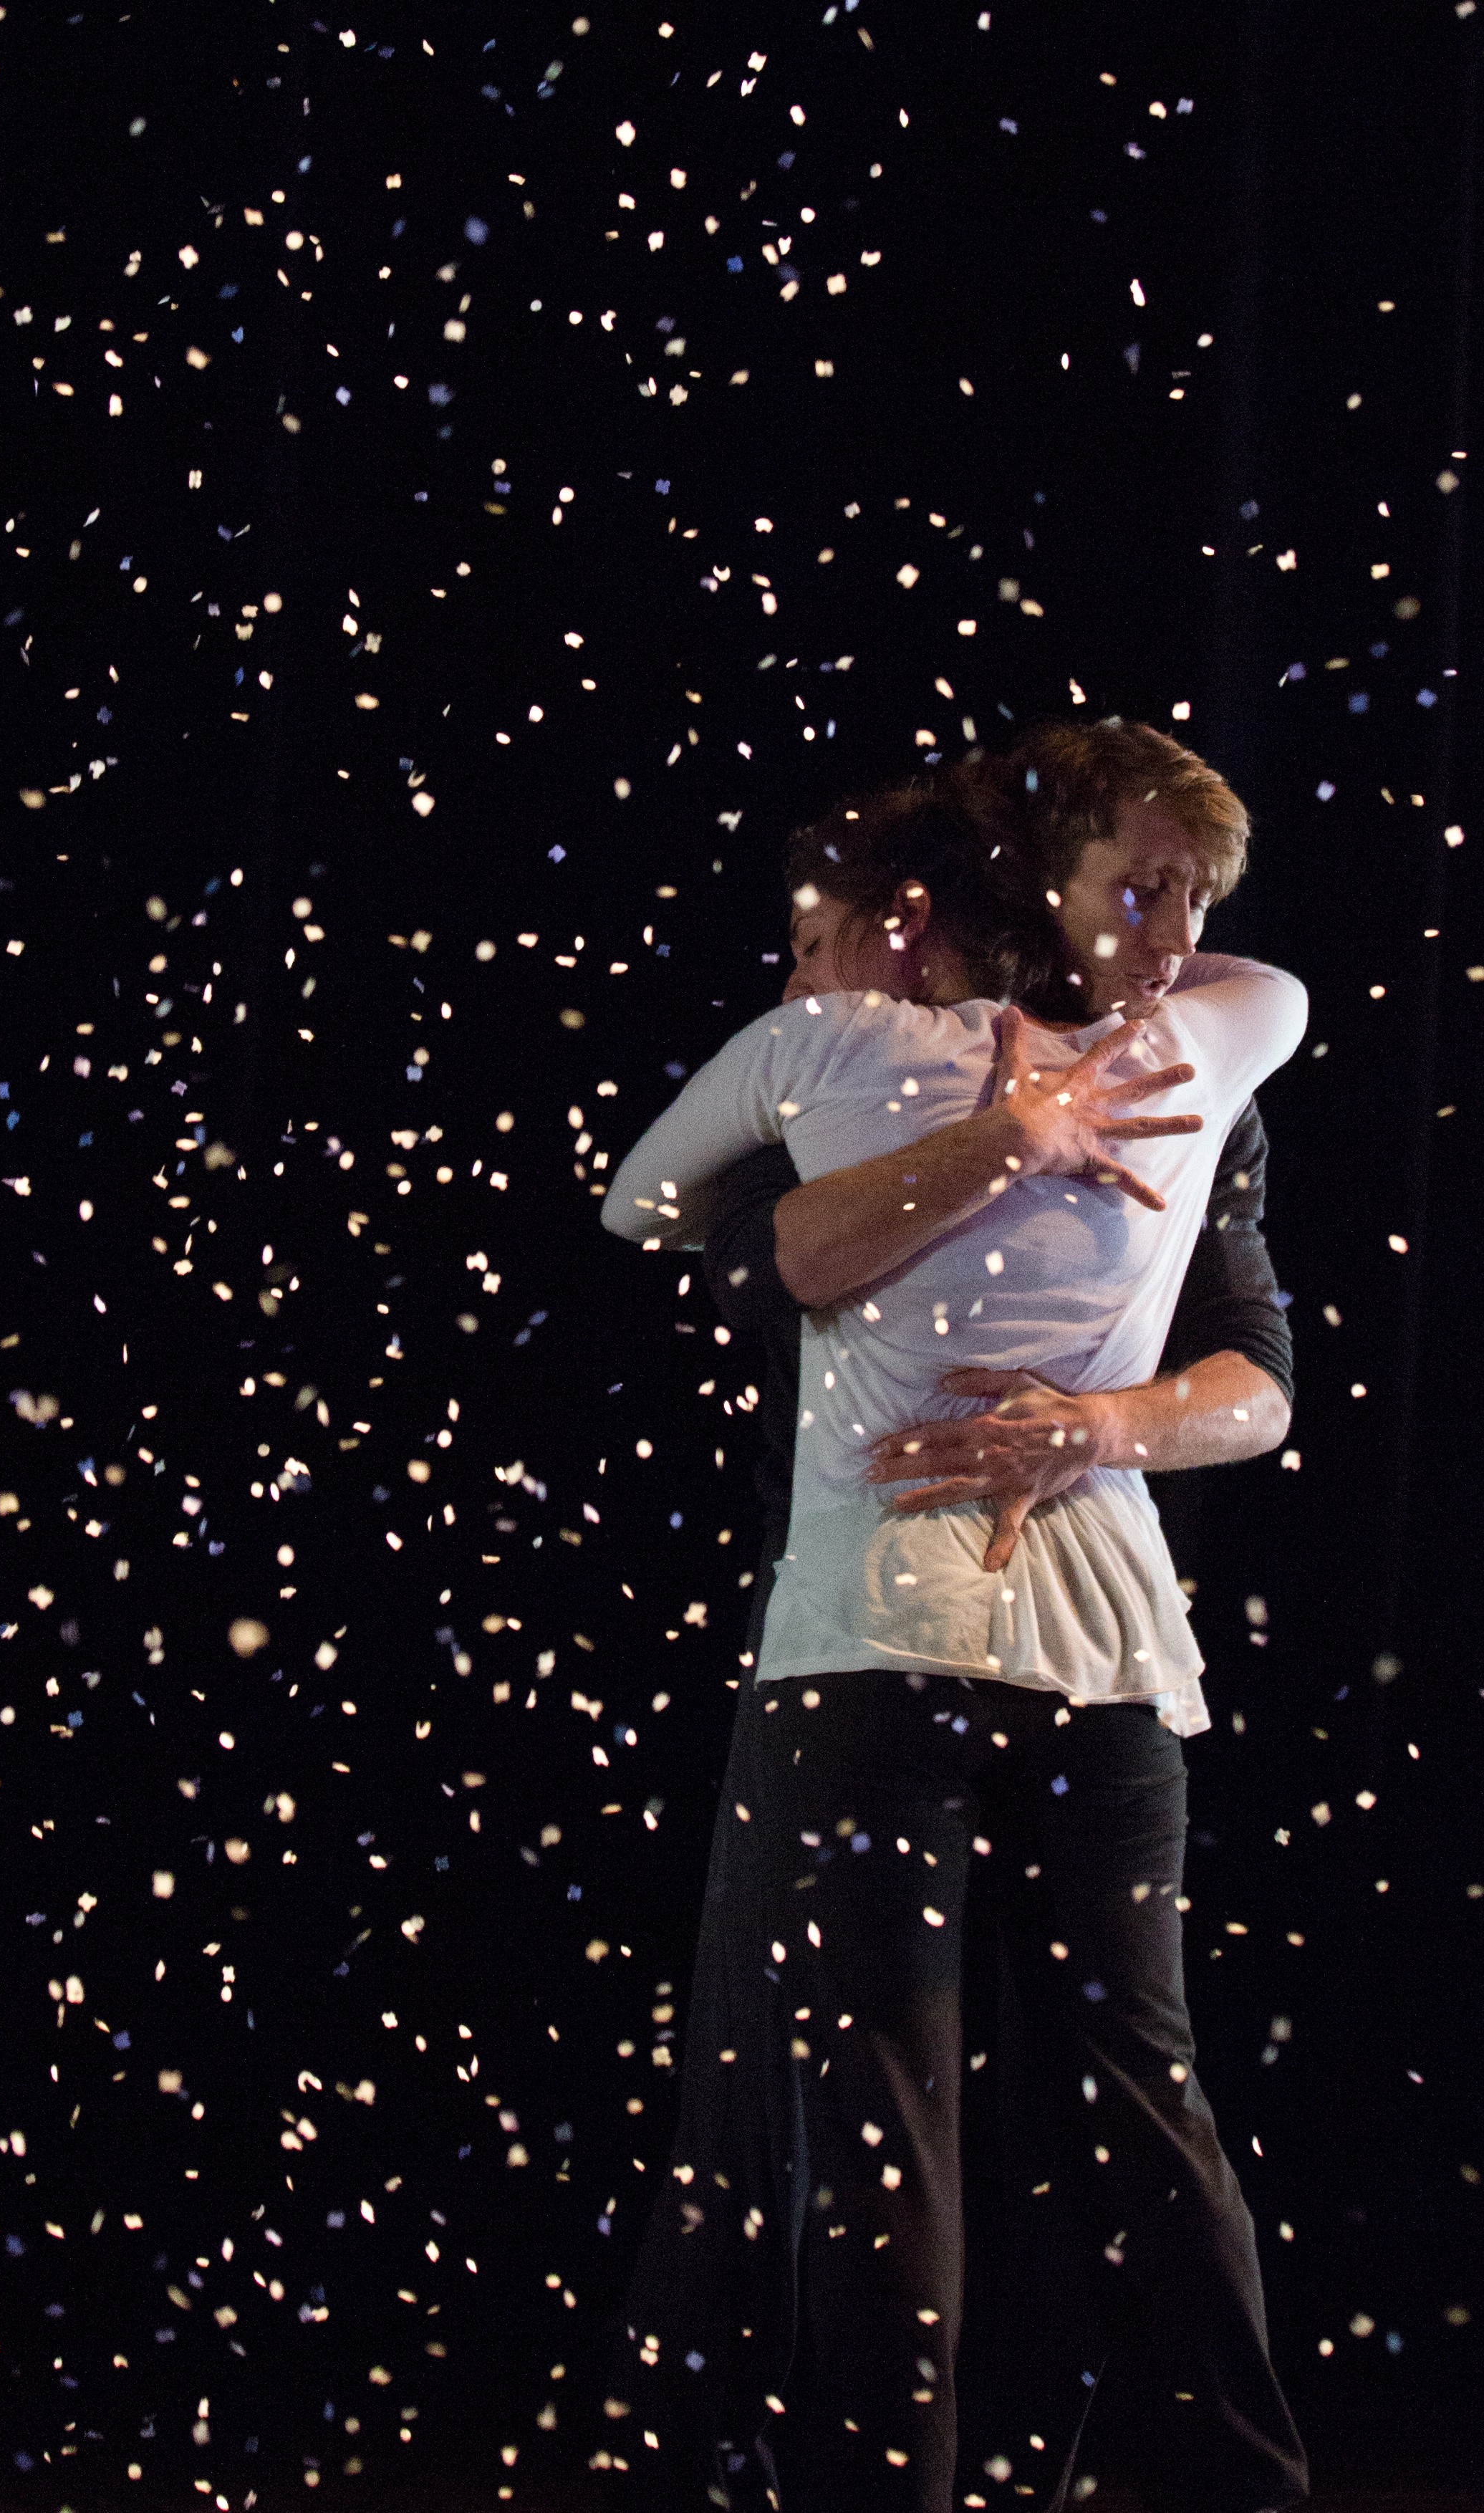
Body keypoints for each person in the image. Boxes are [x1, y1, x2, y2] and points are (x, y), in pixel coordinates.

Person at [599, 729, 1309, 2513]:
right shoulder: (845, 1069)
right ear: (1042, 885)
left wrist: (1091, 1423)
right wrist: (1016, 1127)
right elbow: (765, 1255)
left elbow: (1257, 1381)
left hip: (1038, 1645)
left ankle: (1195, 2479)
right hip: (901, 1631)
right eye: (1134, 885)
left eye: (1186, 896)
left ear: (905, 921)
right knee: (881, 2101)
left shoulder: (1183, 1069)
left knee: (1078, 2098)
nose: (1163, 929)